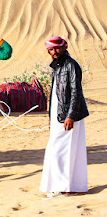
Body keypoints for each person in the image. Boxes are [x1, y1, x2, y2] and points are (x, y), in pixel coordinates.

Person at [40, 36, 89, 200]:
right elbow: (55, 95)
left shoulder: (71, 65)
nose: (54, 52)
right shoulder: (57, 66)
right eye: (51, 49)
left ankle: (60, 188)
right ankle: (71, 187)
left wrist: (71, 115)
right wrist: (50, 117)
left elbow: (76, 92)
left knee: (59, 150)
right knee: (65, 150)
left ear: (64, 47)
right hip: (58, 116)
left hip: (68, 116)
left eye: (57, 48)